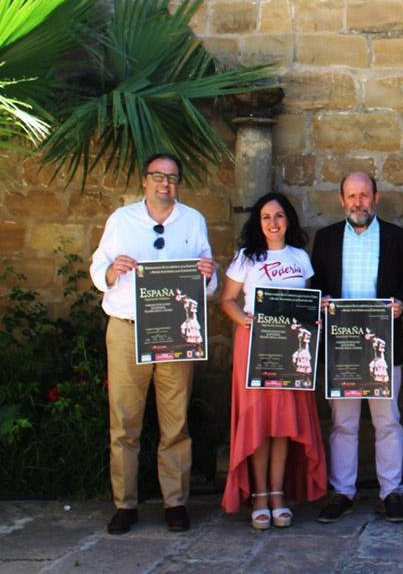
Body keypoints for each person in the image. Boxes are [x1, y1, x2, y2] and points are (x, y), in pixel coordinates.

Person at [90, 153, 217, 535]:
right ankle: (125, 504)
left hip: (176, 332)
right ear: (145, 181)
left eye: (173, 178)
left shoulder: (192, 221)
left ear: (179, 183)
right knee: (124, 422)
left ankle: (174, 502)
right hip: (128, 329)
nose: (165, 184)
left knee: (175, 423)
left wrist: (209, 275)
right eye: (158, 177)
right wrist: (112, 271)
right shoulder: (122, 219)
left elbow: (207, 282)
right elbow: (98, 267)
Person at [311, 172, 403, 524]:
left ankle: (391, 492)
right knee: (343, 423)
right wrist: (322, 300)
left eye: (364, 195)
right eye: (352, 196)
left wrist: (402, 303)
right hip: (341, 345)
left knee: (388, 422)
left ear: (376, 197)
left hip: (383, 345)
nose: (358, 202)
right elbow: (317, 286)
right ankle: (342, 492)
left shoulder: (397, 238)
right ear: (342, 200)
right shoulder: (325, 239)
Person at [220, 192, 327, 529]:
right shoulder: (245, 258)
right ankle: (259, 495)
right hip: (254, 346)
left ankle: (278, 492)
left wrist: (316, 313)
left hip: (291, 351)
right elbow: (228, 300)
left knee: (283, 423)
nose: (273, 222)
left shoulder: (300, 258)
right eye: (266, 216)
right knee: (259, 422)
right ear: (258, 222)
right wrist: (244, 321)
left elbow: (306, 301)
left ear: (288, 220)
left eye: (279, 215)